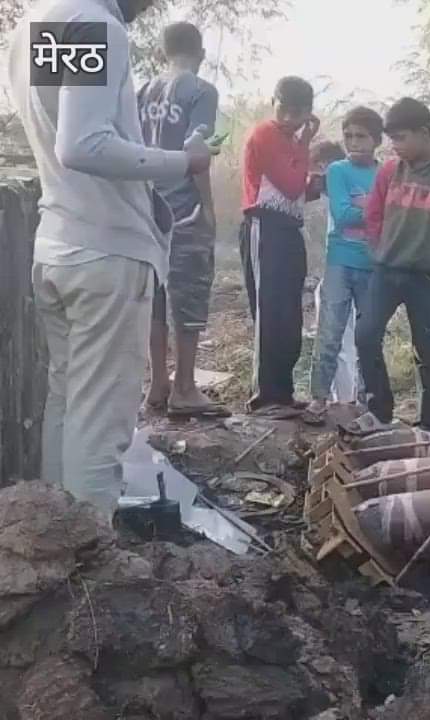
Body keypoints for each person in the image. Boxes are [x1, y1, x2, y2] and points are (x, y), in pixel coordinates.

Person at [6, 0, 215, 521]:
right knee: (100, 423)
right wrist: (182, 161)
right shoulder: (95, 24)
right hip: (105, 256)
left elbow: (67, 134)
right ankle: (90, 572)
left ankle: (57, 538)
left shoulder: (38, 22)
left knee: (70, 403)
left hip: (59, 245)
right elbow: (82, 144)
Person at [353, 98, 430, 433]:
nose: (395, 146)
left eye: (401, 138)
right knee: (365, 335)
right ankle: (380, 411)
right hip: (387, 271)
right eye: (391, 139)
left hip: (425, 277)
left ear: (425, 133)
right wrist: (378, 249)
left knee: (425, 349)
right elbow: (374, 214)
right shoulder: (390, 171)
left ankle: (426, 420)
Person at [138, 21, 228, 419]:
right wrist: (208, 207)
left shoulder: (144, 90)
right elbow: (196, 149)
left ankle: (157, 384)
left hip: (145, 208)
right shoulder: (201, 91)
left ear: (162, 52)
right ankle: (186, 387)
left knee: (155, 300)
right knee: (188, 297)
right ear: (201, 53)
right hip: (183, 211)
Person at [239, 76, 321, 419]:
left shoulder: (289, 138)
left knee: (289, 312)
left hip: (288, 228)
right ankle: (265, 396)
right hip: (265, 227)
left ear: (308, 112)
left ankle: (283, 393)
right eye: (284, 110)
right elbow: (289, 186)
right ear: (274, 102)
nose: (289, 118)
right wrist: (305, 146)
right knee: (270, 311)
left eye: (298, 113)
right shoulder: (267, 135)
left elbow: (299, 190)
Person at [306, 112, 382, 421]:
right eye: (348, 136)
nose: (353, 142)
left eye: (361, 136)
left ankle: (368, 399)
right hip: (339, 262)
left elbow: (390, 217)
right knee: (329, 332)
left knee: (369, 335)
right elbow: (342, 213)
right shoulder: (337, 170)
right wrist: (377, 210)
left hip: (373, 263)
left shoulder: (387, 173)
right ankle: (319, 398)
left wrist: (364, 210)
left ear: (377, 140)